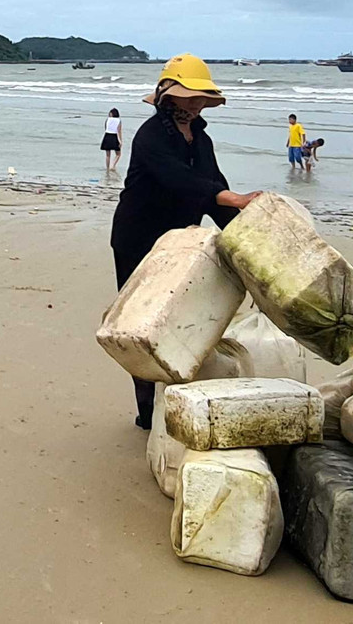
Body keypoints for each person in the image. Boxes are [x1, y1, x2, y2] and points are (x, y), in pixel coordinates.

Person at [110, 54, 262, 429]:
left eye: (199, 98)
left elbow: (215, 188)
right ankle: (149, 415)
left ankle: (176, 404)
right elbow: (182, 181)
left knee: (180, 321)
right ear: (166, 95)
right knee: (141, 326)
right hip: (138, 238)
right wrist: (232, 198)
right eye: (186, 96)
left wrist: (248, 236)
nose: (193, 104)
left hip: (180, 244)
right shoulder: (150, 137)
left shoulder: (201, 139)